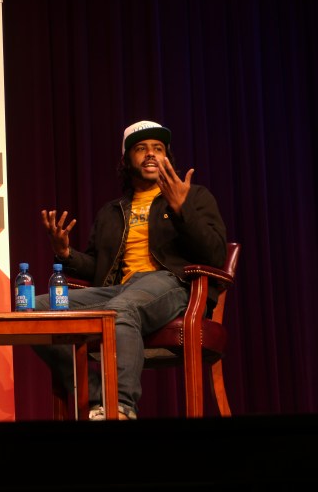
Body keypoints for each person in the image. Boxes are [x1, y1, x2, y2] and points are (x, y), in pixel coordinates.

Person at [33, 121, 227, 420]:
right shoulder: (112, 211)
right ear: (126, 160)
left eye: (158, 149)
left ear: (167, 158)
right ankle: (98, 398)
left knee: (121, 309)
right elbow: (98, 266)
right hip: (120, 289)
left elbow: (214, 253)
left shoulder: (194, 196)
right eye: (141, 148)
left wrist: (181, 209)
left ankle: (121, 406)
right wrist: (66, 253)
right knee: (35, 309)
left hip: (172, 283)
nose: (151, 154)